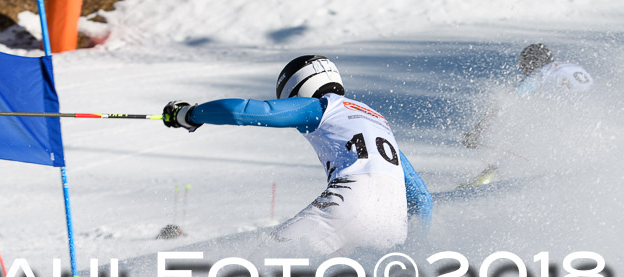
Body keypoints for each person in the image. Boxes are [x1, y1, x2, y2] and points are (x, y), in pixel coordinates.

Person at [162, 55, 432, 254]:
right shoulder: (378, 123)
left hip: (351, 199)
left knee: (266, 263)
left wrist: (189, 114)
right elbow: (421, 198)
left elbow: (243, 111)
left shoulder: (322, 106)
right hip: (393, 221)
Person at [460, 44, 594, 186]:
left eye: (523, 66)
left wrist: (477, 131)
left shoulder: (540, 74)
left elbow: (504, 103)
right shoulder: (569, 66)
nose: (523, 70)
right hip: (590, 118)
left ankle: (485, 179)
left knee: (519, 136)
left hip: (569, 118)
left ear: (531, 63)